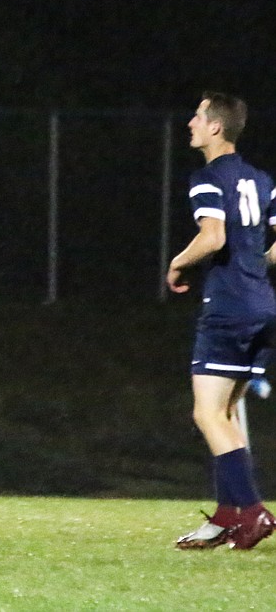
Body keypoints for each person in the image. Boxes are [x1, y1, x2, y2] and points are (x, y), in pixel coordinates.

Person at [170, 92, 276, 551]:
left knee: (207, 412)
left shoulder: (208, 178)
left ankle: (252, 513)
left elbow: (212, 237)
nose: (191, 122)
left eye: (197, 116)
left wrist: (176, 263)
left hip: (229, 308)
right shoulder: (261, 179)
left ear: (215, 127)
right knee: (226, 414)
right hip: (263, 306)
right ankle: (227, 517)